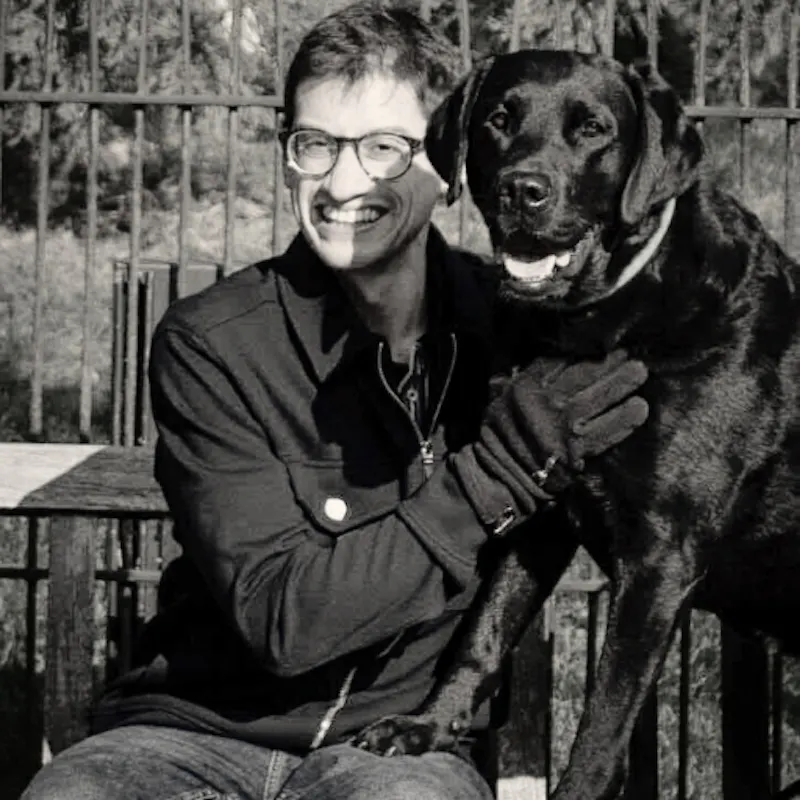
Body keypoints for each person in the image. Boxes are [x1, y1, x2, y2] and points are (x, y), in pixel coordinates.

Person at [21, 2, 649, 799]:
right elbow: (284, 624)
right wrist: (494, 476)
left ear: (448, 161)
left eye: (387, 148)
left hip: (401, 751)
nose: (343, 182)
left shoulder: (521, 333)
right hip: (188, 735)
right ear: (287, 157)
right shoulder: (212, 344)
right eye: (315, 145)